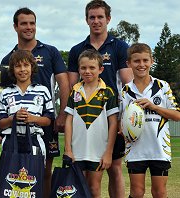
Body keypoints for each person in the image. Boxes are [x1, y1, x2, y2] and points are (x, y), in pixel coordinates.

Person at [1, 7, 70, 197]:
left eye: (32, 23)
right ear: (15, 26)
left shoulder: (50, 51)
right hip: (17, 128)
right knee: (16, 170)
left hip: (45, 123)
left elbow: (63, 83)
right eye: (24, 23)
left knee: (44, 171)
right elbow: (2, 96)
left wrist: (63, 114)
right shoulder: (8, 59)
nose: (28, 27)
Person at [67, 1, 133, 197]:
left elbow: (128, 84)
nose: (96, 21)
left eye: (100, 17)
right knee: (85, 173)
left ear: (108, 19)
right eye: (92, 17)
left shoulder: (120, 46)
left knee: (114, 167)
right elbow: (72, 86)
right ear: (86, 20)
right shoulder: (76, 49)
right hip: (85, 117)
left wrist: (125, 117)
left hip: (112, 116)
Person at [120, 43, 180, 198]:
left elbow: (177, 115)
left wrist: (154, 107)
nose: (141, 65)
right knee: (137, 192)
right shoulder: (125, 91)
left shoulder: (162, 86)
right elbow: (121, 121)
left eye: (145, 60)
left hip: (159, 149)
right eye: (136, 61)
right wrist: (123, 129)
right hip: (135, 150)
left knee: (159, 192)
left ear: (152, 61)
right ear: (129, 64)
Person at [64, 49, 118, 197]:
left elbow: (113, 123)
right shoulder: (74, 91)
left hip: (98, 151)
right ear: (79, 69)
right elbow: (69, 120)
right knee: (76, 189)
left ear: (101, 69)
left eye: (92, 67)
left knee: (94, 189)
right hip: (77, 150)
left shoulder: (108, 92)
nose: (87, 71)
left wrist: (108, 152)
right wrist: (68, 149)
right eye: (83, 68)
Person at [0, 49, 55, 159]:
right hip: (11, 141)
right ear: (12, 70)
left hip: (35, 140)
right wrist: (13, 118)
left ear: (32, 67)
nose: (22, 69)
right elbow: (1, 123)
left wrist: (32, 118)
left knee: (34, 175)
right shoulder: (6, 93)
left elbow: (48, 120)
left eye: (26, 65)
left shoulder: (42, 90)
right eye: (18, 66)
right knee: (11, 175)